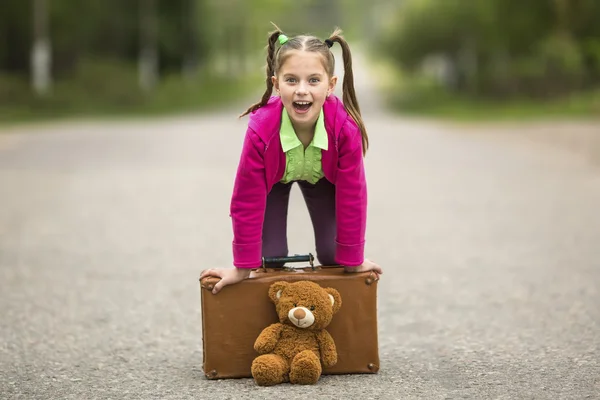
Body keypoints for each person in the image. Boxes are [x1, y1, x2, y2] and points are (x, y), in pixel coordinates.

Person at [201, 24, 383, 294]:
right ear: (276, 84)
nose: (301, 90)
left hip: (323, 179)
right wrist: (241, 267)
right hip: (273, 181)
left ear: (330, 85)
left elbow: (352, 195)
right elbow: (246, 198)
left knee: (335, 255)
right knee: (270, 259)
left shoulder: (345, 129)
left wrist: (354, 260)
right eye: (291, 80)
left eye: (313, 80)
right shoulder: (261, 130)